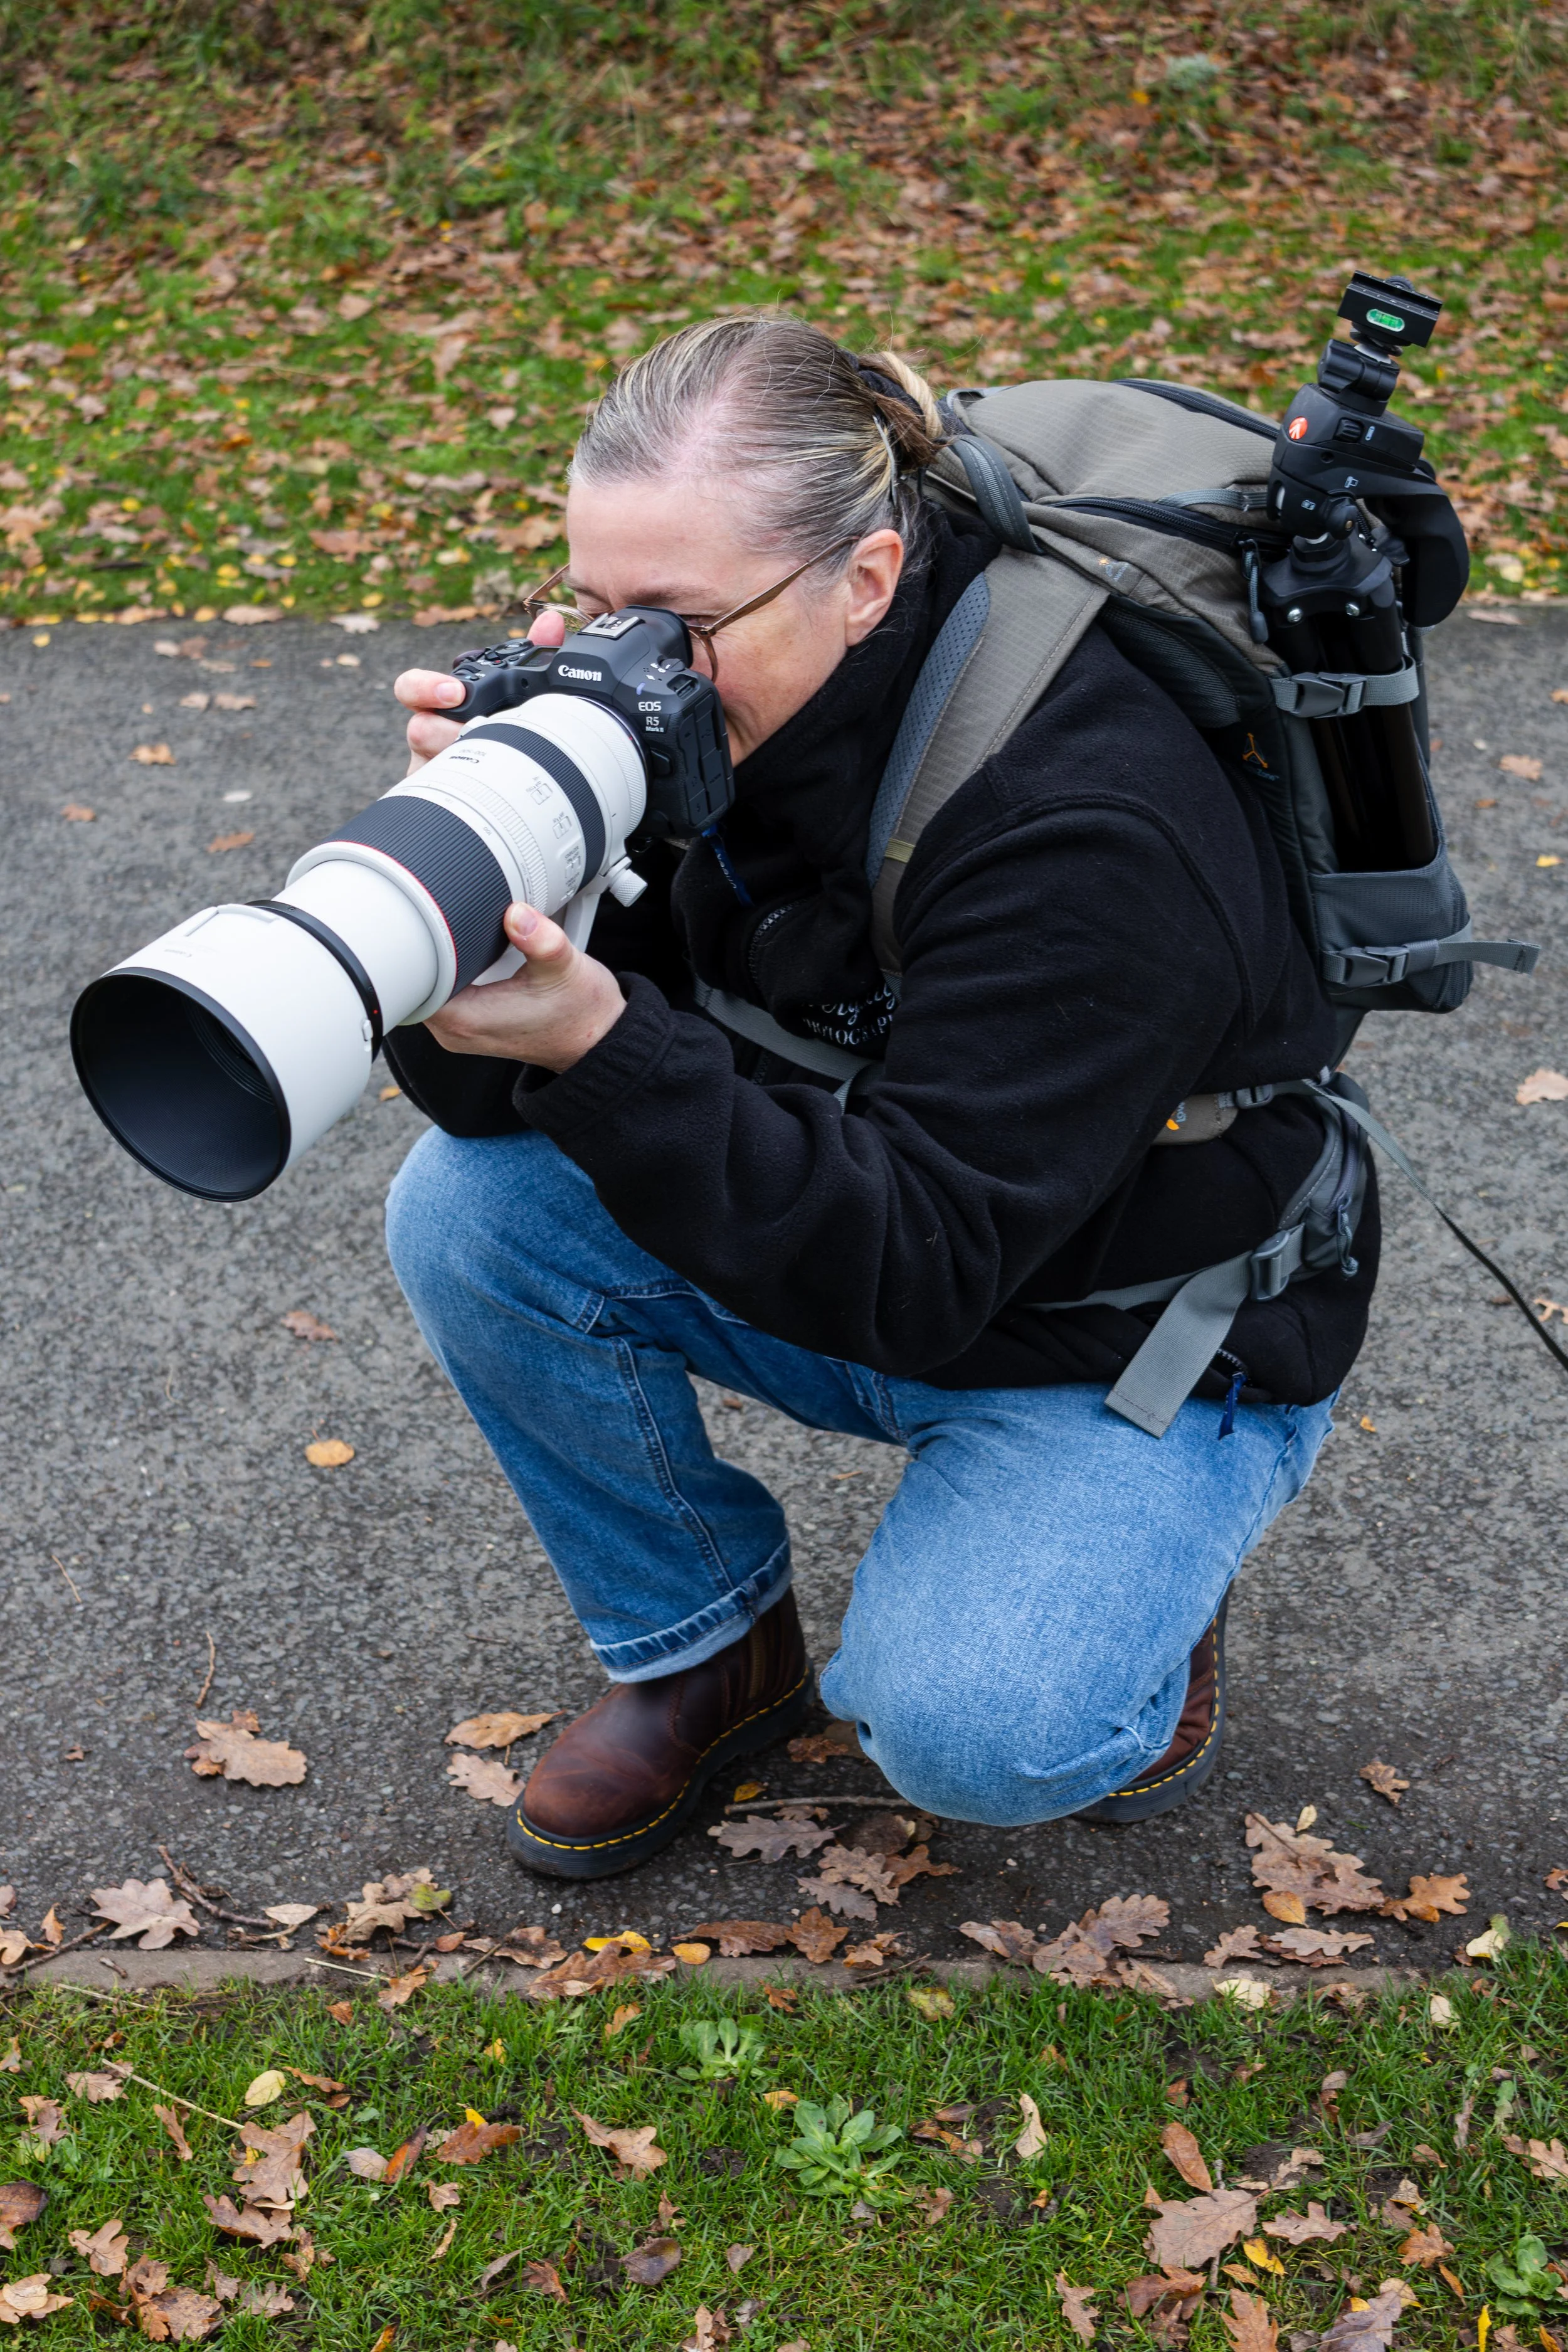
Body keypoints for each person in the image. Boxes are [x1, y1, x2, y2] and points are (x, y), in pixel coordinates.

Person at [381, 314, 1375, 1880]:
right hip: (876, 1219)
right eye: (591, 608)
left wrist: (599, 1043)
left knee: (979, 1734)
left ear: (867, 573)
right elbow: (482, 1112)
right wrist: (483, 874)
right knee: (472, 1217)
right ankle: (707, 1647)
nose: (628, 670)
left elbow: (915, 1273)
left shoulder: (1087, 825)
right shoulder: (711, 708)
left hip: (1121, 1326)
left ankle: (1149, 1581)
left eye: (678, 623)